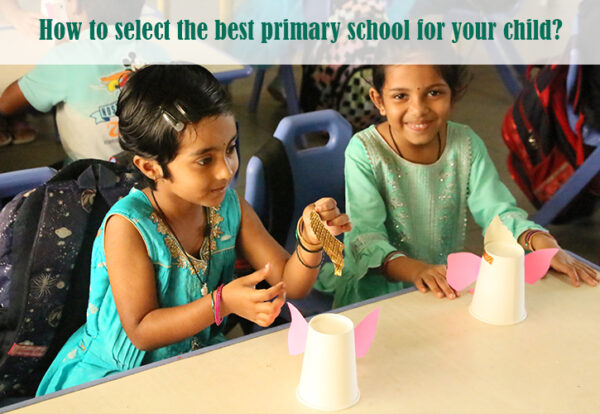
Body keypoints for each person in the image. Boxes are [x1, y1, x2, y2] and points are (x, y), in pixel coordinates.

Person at [36, 65, 351, 395]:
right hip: (118, 379)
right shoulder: (127, 227)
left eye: (230, 148)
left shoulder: (229, 208)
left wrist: (311, 243)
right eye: (205, 160)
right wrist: (221, 304)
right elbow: (141, 330)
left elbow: (292, 283)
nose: (226, 171)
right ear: (150, 167)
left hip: (192, 364)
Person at [316, 65, 599, 308]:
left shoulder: (465, 144)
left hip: (445, 289)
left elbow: (497, 213)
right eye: (400, 96)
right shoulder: (363, 151)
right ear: (379, 100)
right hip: (375, 295)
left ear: (455, 93)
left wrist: (545, 245)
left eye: (435, 92)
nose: (419, 110)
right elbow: (367, 240)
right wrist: (419, 271)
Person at [0, 0, 148, 161]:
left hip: (87, 176)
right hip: (146, 169)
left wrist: (61, 52)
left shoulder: (66, 60)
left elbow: (6, 103)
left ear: (75, 6)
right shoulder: (155, 51)